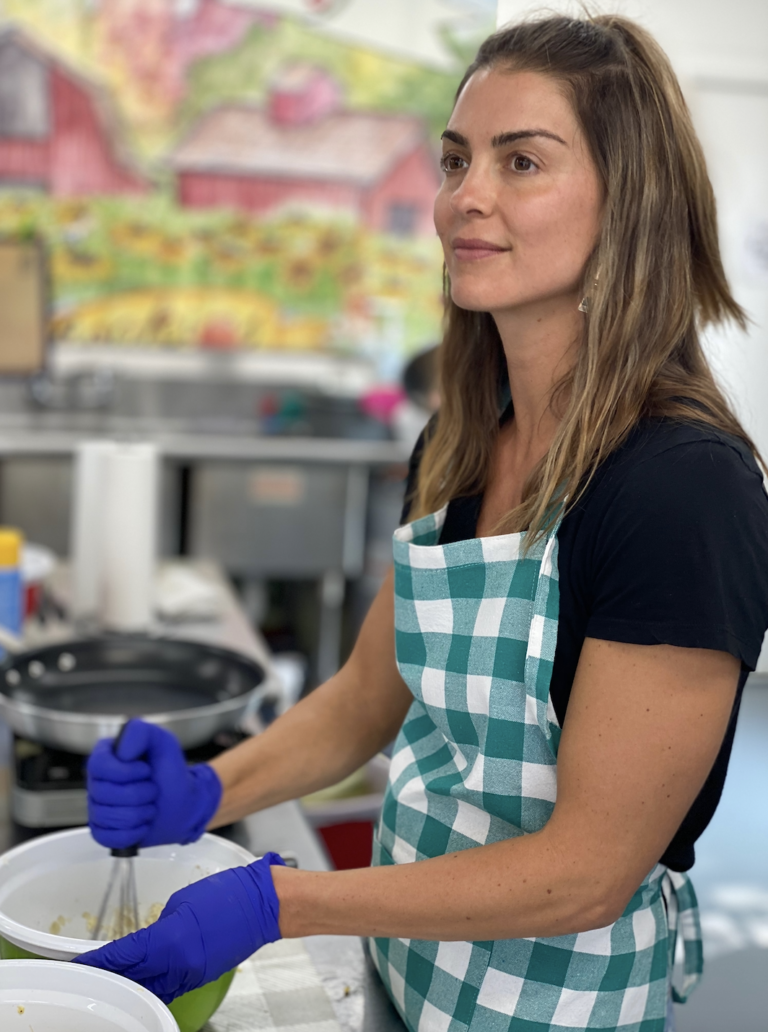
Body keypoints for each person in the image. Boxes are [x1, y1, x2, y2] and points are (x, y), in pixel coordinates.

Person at [76, 13, 768, 1032]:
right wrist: (203, 790)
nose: (464, 199)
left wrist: (283, 904)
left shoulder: (680, 491)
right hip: (411, 977)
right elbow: (366, 700)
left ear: (632, 202)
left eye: (521, 161)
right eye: (456, 160)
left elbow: (586, 872)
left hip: (554, 1010)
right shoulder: (462, 438)